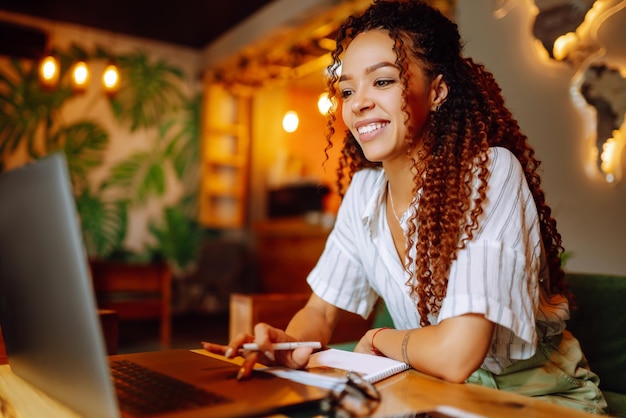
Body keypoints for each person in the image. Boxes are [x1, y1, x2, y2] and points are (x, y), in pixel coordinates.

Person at [202, 0, 607, 414]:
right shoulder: (363, 194)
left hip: (532, 401)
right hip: (433, 398)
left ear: (437, 91)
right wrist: (291, 343)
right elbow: (320, 311)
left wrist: (380, 339)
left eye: (382, 81)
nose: (358, 103)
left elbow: (457, 354)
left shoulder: (489, 173)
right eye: (346, 89)